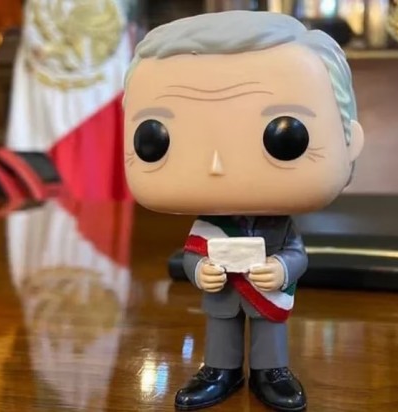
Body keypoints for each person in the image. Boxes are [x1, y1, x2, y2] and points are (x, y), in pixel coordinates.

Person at [122, 10, 364, 411]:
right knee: (221, 330)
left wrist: (282, 269)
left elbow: (297, 253)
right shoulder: (208, 225)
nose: (216, 165)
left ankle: (272, 372)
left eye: (286, 137)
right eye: (154, 140)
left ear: (349, 140)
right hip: (223, 295)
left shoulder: (278, 225)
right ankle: (220, 370)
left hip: (267, 293)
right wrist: (200, 270)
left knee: (269, 331)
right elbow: (192, 255)